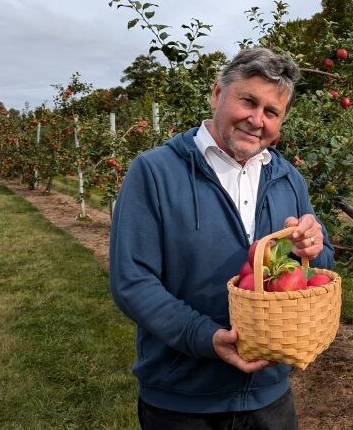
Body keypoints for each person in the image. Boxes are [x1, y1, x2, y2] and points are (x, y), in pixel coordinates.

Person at [110, 47, 334, 429]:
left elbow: (319, 268)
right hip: (183, 400)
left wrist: (314, 247)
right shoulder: (154, 172)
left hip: (270, 397)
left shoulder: (287, 178)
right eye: (248, 101)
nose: (256, 119)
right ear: (217, 93)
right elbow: (132, 282)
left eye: (271, 112)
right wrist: (204, 336)